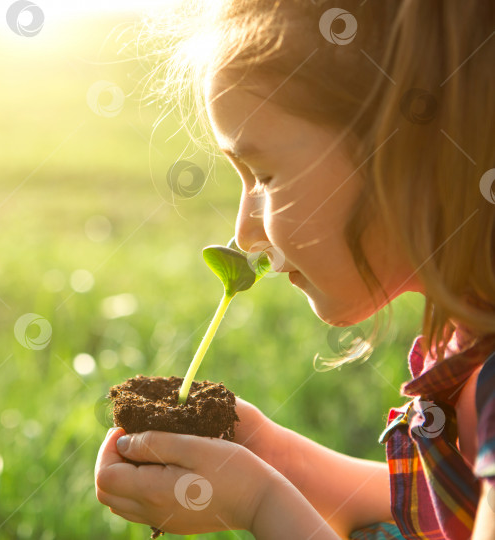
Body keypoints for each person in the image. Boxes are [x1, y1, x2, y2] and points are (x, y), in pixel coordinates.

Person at [94, 1, 495, 538]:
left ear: (402, 152)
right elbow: (451, 514)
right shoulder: (467, 338)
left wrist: (259, 504)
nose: (242, 234)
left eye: (264, 175)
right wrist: (277, 458)